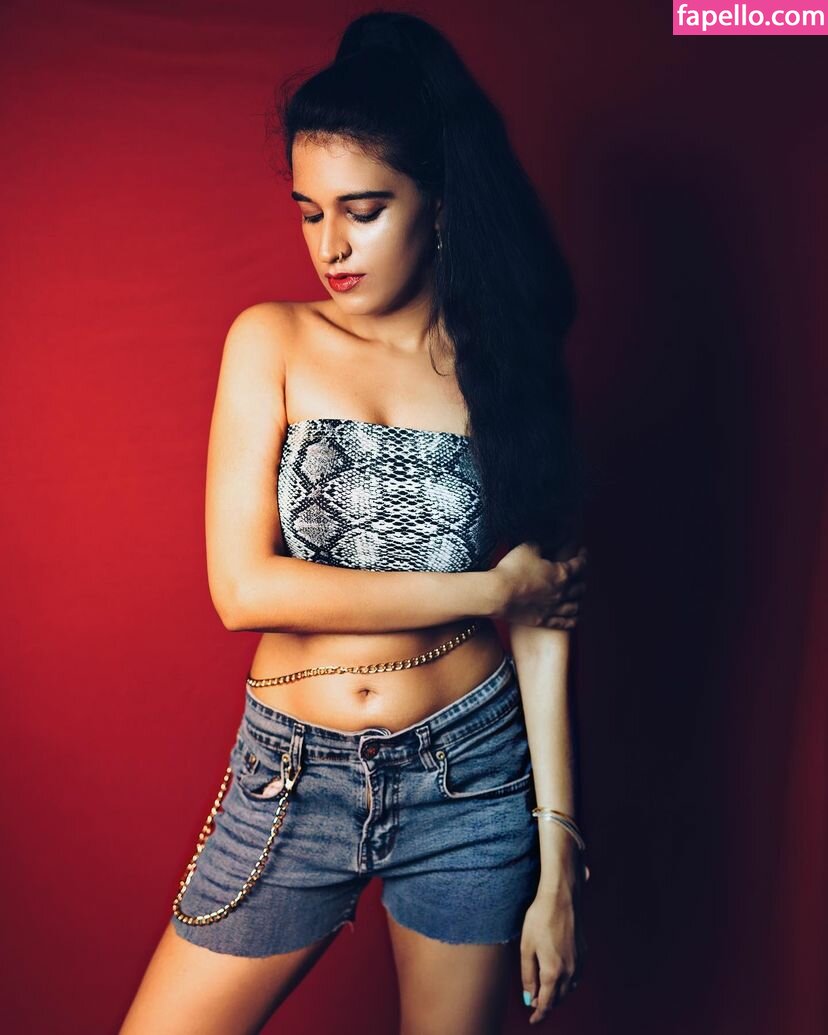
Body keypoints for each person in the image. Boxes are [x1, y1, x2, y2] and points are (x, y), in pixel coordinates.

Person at [119, 10, 591, 1034]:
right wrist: (486, 589)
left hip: (470, 778)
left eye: (363, 210)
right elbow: (243, 588)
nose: (330, 245)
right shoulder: (272, 341)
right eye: (309, 213)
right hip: (294, 777)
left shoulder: (504, 370)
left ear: (438, 201)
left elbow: (544, 624)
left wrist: (559, 854)